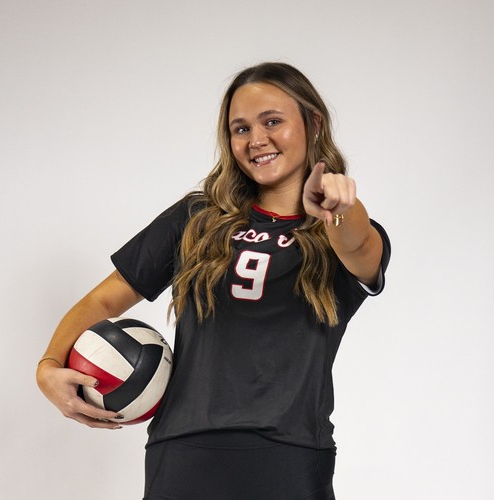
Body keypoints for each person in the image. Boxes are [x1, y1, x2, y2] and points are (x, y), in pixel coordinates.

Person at [36, 62, 390, 500]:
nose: (256, 140)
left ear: (313, 122)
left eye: (272, 121)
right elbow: (105, 301)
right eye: (241, 129)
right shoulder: (196, 218)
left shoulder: (337, 232)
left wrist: (338, 209)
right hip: (183, 454)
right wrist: (48, 367)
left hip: (289, 457)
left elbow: (359, 245)